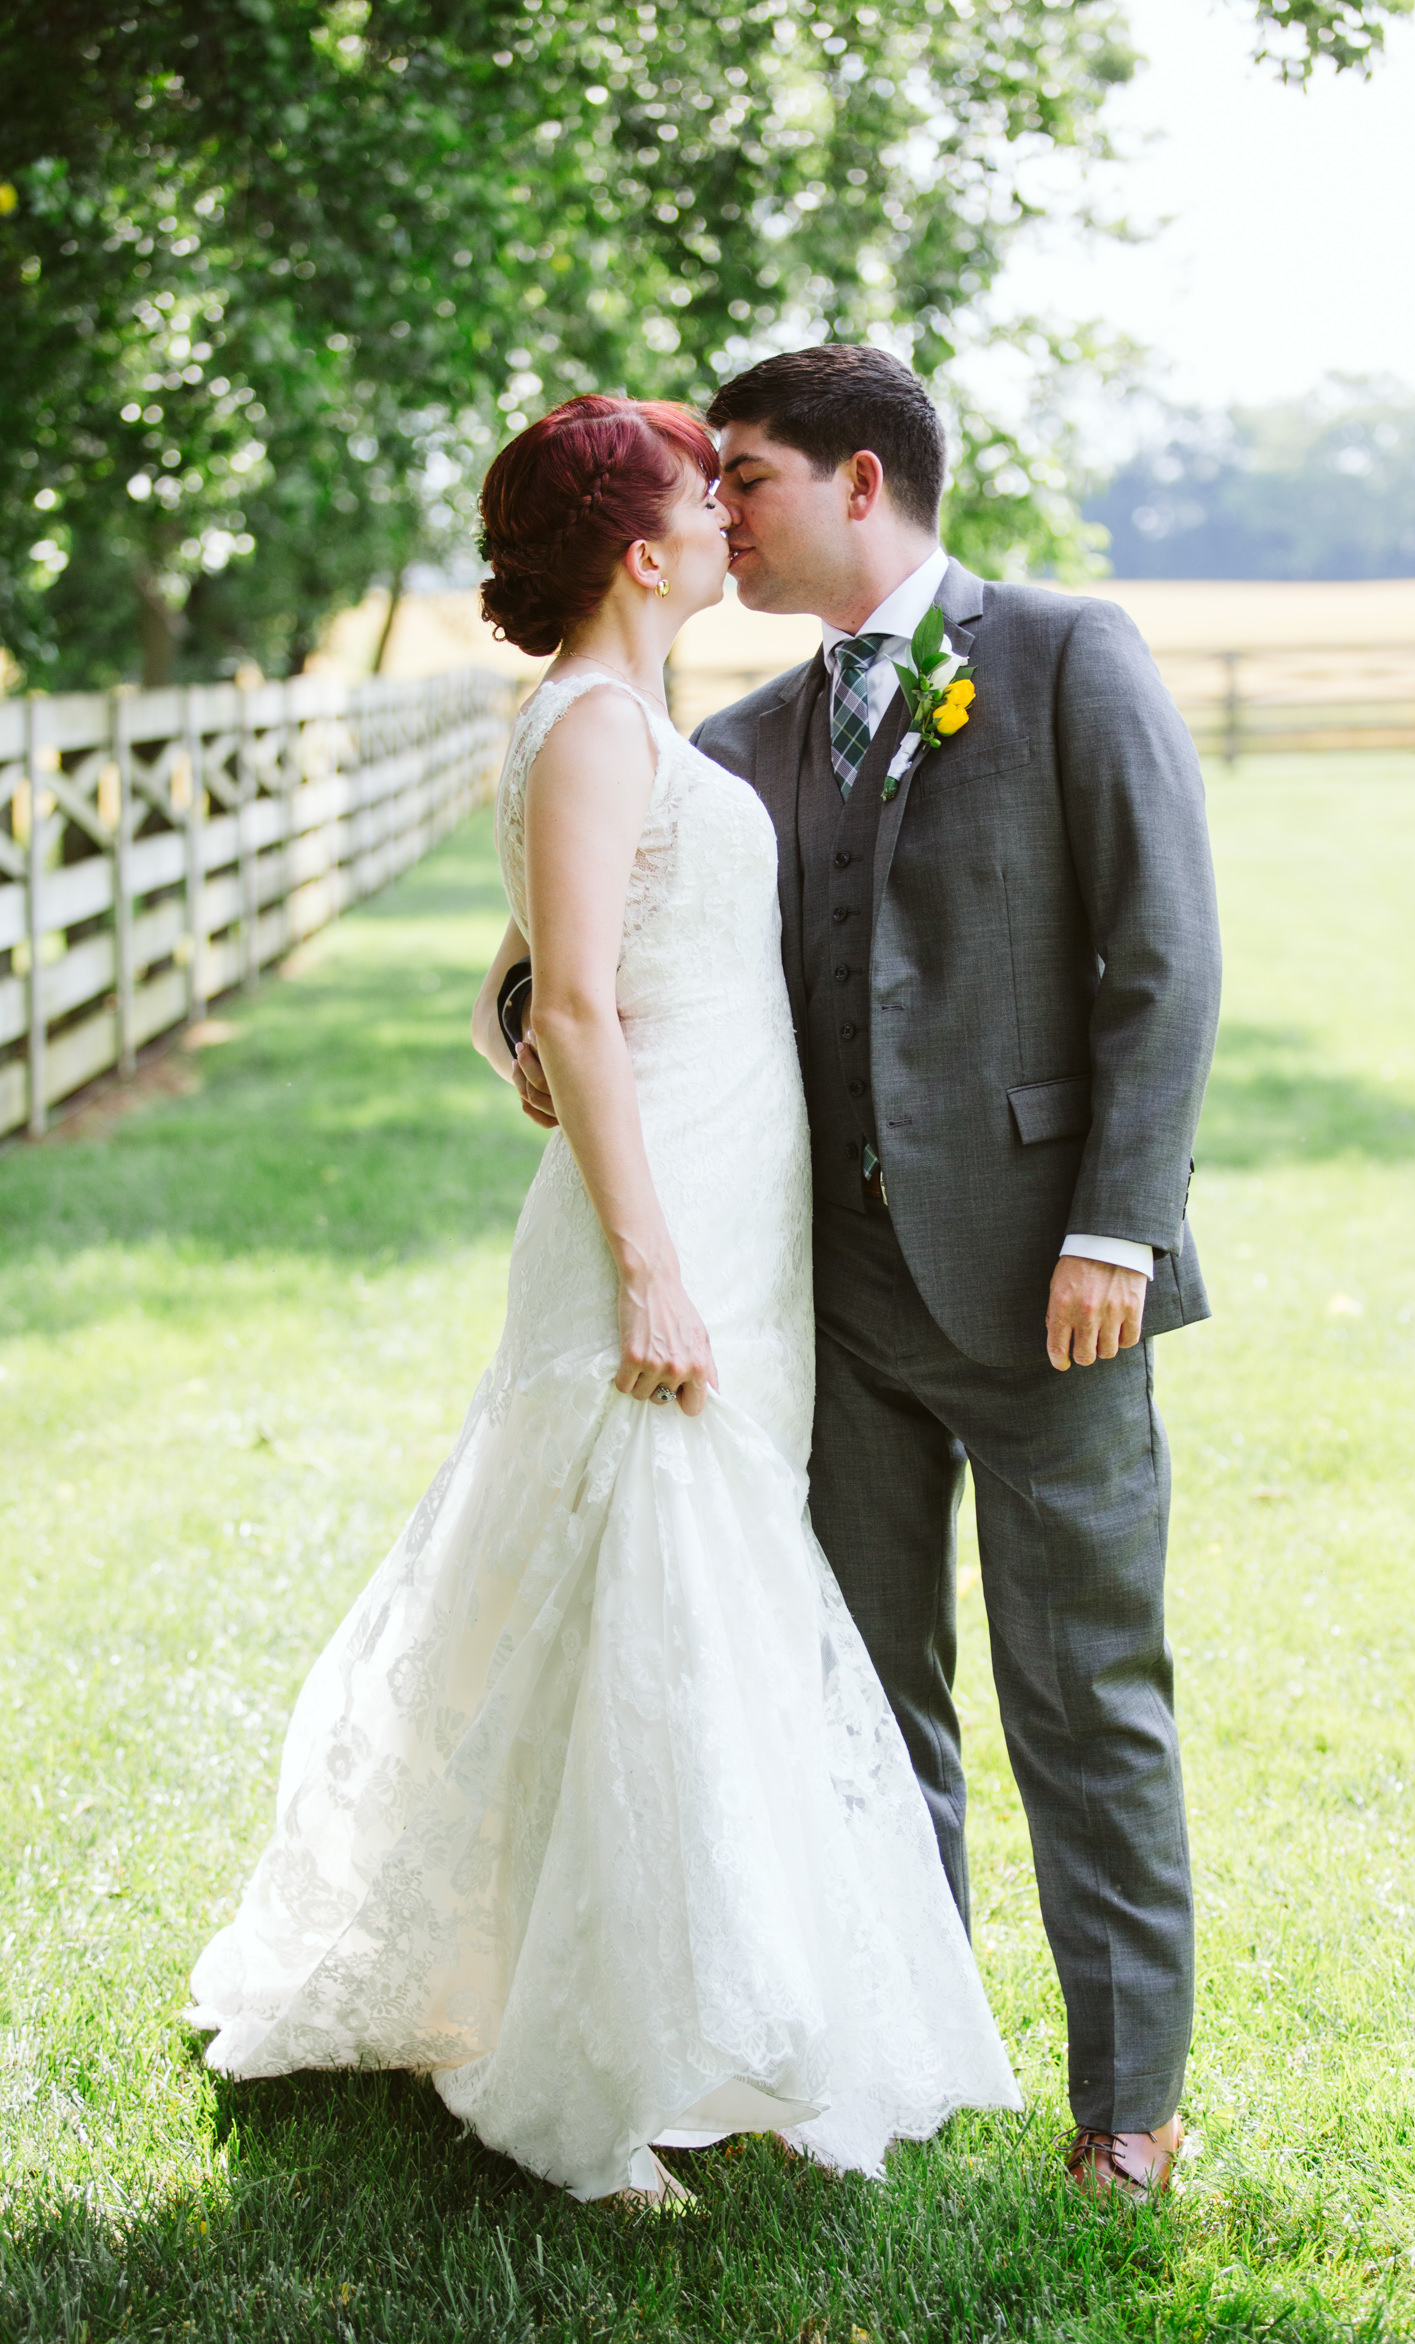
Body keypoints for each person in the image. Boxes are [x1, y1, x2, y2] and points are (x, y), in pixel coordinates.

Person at [187, 394, 1020, 2207]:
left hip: (732, 1192)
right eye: (701, 502)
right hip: (663, 1227)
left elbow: (518, 986)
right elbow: (564, 997)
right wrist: (644, 1257)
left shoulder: (635, 724)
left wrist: (524, 1050)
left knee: (701, 1579)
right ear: (645, 556)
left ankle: (706, 2006)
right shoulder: (586, 727)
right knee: (653, 1564)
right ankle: (606, 2054)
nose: (732, 518)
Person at [504, 347, 1221, 2201]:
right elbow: (571, 942)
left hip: (1058, 1291)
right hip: (823, 1305)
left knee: (1085, 1693)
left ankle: (1125, 2101)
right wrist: (520, 1023)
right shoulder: (738, 737)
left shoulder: (1069, 660)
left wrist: (1114, 1224)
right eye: (714, 485)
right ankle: (915, 2048)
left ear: (862, 483)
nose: (719, 509)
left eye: (747, 476)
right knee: (869, 1691)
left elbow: (1166, 961)